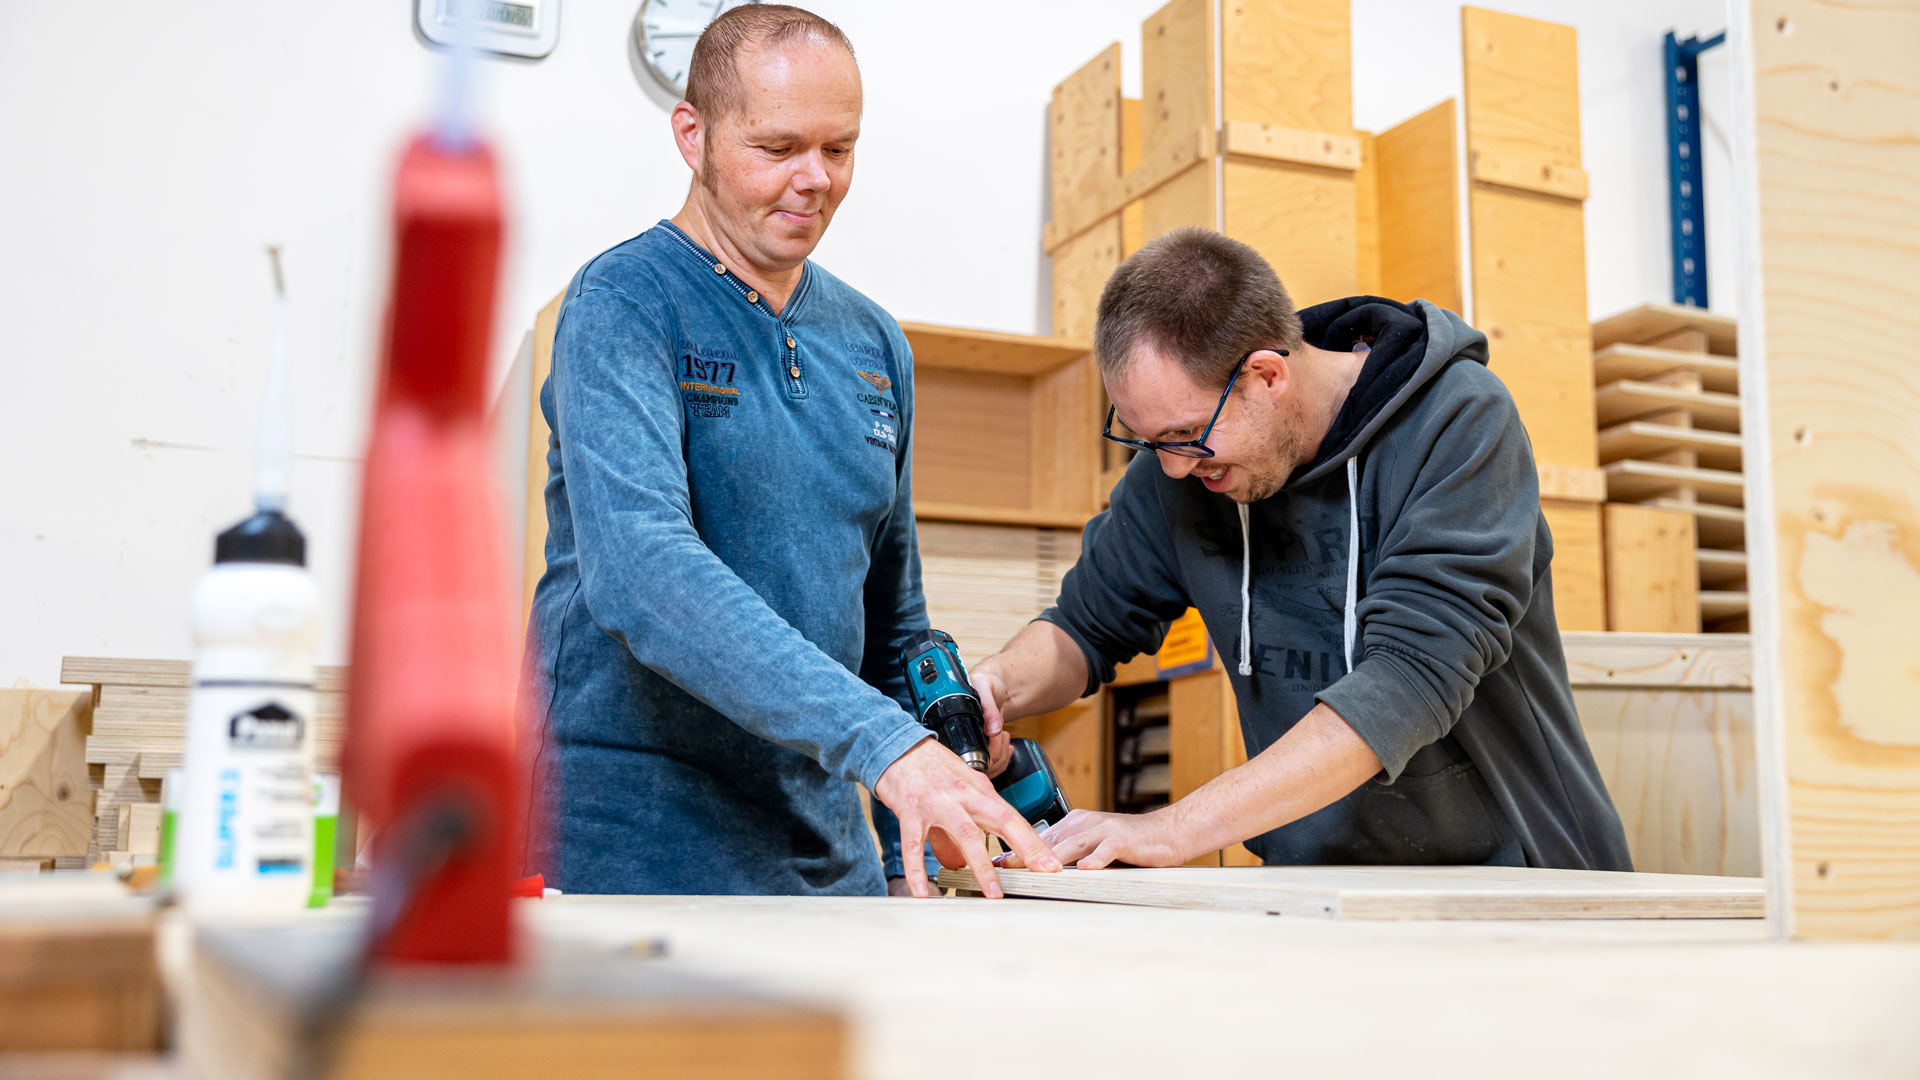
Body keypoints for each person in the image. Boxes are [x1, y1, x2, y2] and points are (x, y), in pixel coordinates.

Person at [522, 4, 1058, 900]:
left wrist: (907, 847)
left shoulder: (873, 343)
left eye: (838, 150)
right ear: (692, 136)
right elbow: (641, 570)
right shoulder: (624, 302)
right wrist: (886, 746)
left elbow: (894, 621)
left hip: (822, 850)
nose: (814, 179)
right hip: (631, 846)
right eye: (777, 149)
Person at [981, 227, 1632, 872]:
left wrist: (1176, 828)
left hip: (1515, 879)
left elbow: (1410, 679)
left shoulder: (1457, 422)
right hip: (1316, 888)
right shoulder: (1181, 464)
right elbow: (1086, 625)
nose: (1173, 468)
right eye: (1149, 440)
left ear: (1266, 375)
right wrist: (997, 686)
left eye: (1185, 435)